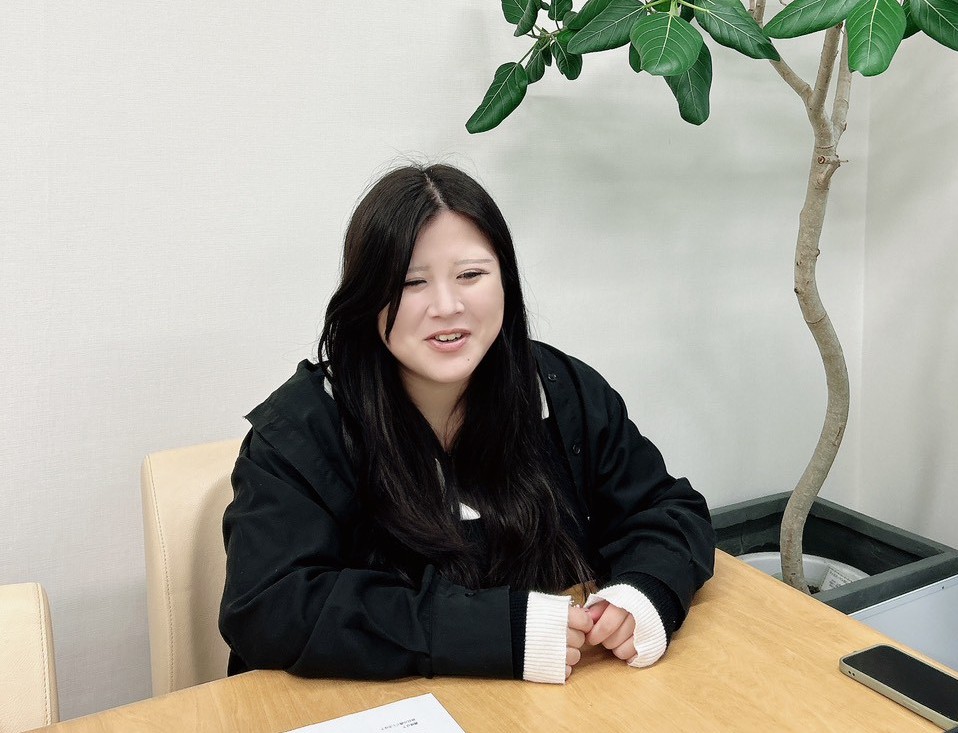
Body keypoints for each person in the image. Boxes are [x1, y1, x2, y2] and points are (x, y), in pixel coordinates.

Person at [219, 163, 715, 684]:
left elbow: (667, 509)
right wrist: (494, 631)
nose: (447, 306)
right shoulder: (303, 429)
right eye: (412, 282)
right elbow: (268, 606)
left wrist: (645, 591)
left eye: (471, 275)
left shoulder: (561, 390)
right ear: (367, 298)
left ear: (506, 281)